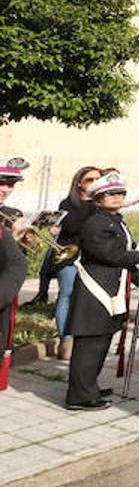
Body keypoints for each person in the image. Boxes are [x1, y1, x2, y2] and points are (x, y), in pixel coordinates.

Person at [65, 173, 139, 410]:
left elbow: (117, 252)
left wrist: (136, 276)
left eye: (120, 193)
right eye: (110, 194)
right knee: (90, 343)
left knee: (101, 341)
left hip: (110, 285)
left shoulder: (113, 220)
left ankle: (88, 386)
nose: (116, 197)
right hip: (95, 288)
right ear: (98, 199)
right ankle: (79, 397)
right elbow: (110, 255)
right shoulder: (96, 223)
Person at [53, 166, 101, 361]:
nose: (94, 183)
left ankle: (84, 337)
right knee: (66, 295)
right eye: (90, 180)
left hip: (93, 257)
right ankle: (66, 339)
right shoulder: (68, 203)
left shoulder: (101, 203)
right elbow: (72, 226)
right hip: (70, 255)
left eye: (98, 179)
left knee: (87, 298)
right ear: (79, 183)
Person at [1, 159, 31, 386]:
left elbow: (16, 258)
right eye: (1, 183)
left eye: (11, 184)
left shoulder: (12, 213)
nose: (5, 189)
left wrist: (20, 240)